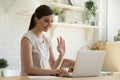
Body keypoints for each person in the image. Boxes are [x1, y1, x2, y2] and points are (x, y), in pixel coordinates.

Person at [20, 5, 74, 77]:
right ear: (36, 19)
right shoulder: (27, 38)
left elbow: (54, 67)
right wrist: (54, 71)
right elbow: (29, 69)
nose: (49, 24)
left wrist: (61, 55)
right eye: (46, 21)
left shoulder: (47, 40)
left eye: (52, 21)